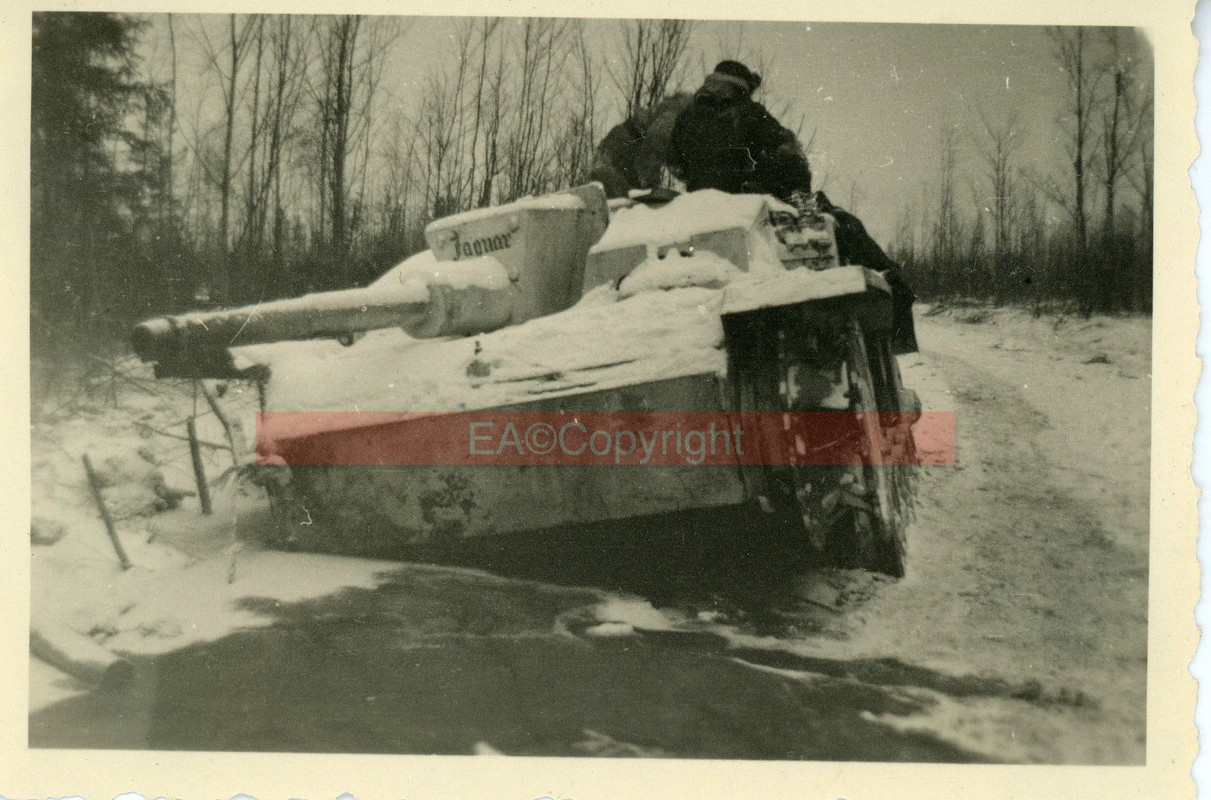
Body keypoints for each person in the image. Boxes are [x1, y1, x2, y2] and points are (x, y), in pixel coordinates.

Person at [666, 60, 812, 202]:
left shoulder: (687, 115)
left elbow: (674, 162)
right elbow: (788, 151)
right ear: (742, 85)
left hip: (697, 203)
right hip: (741, 205)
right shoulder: (751, 112)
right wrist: (798, 191)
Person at [588, 92, 693, 200]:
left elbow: (673, 159)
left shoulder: (687, 111)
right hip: (624, 146)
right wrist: (651, 185)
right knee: (612, 198)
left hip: (629, 149)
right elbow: (656, 139)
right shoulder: (683, 110)